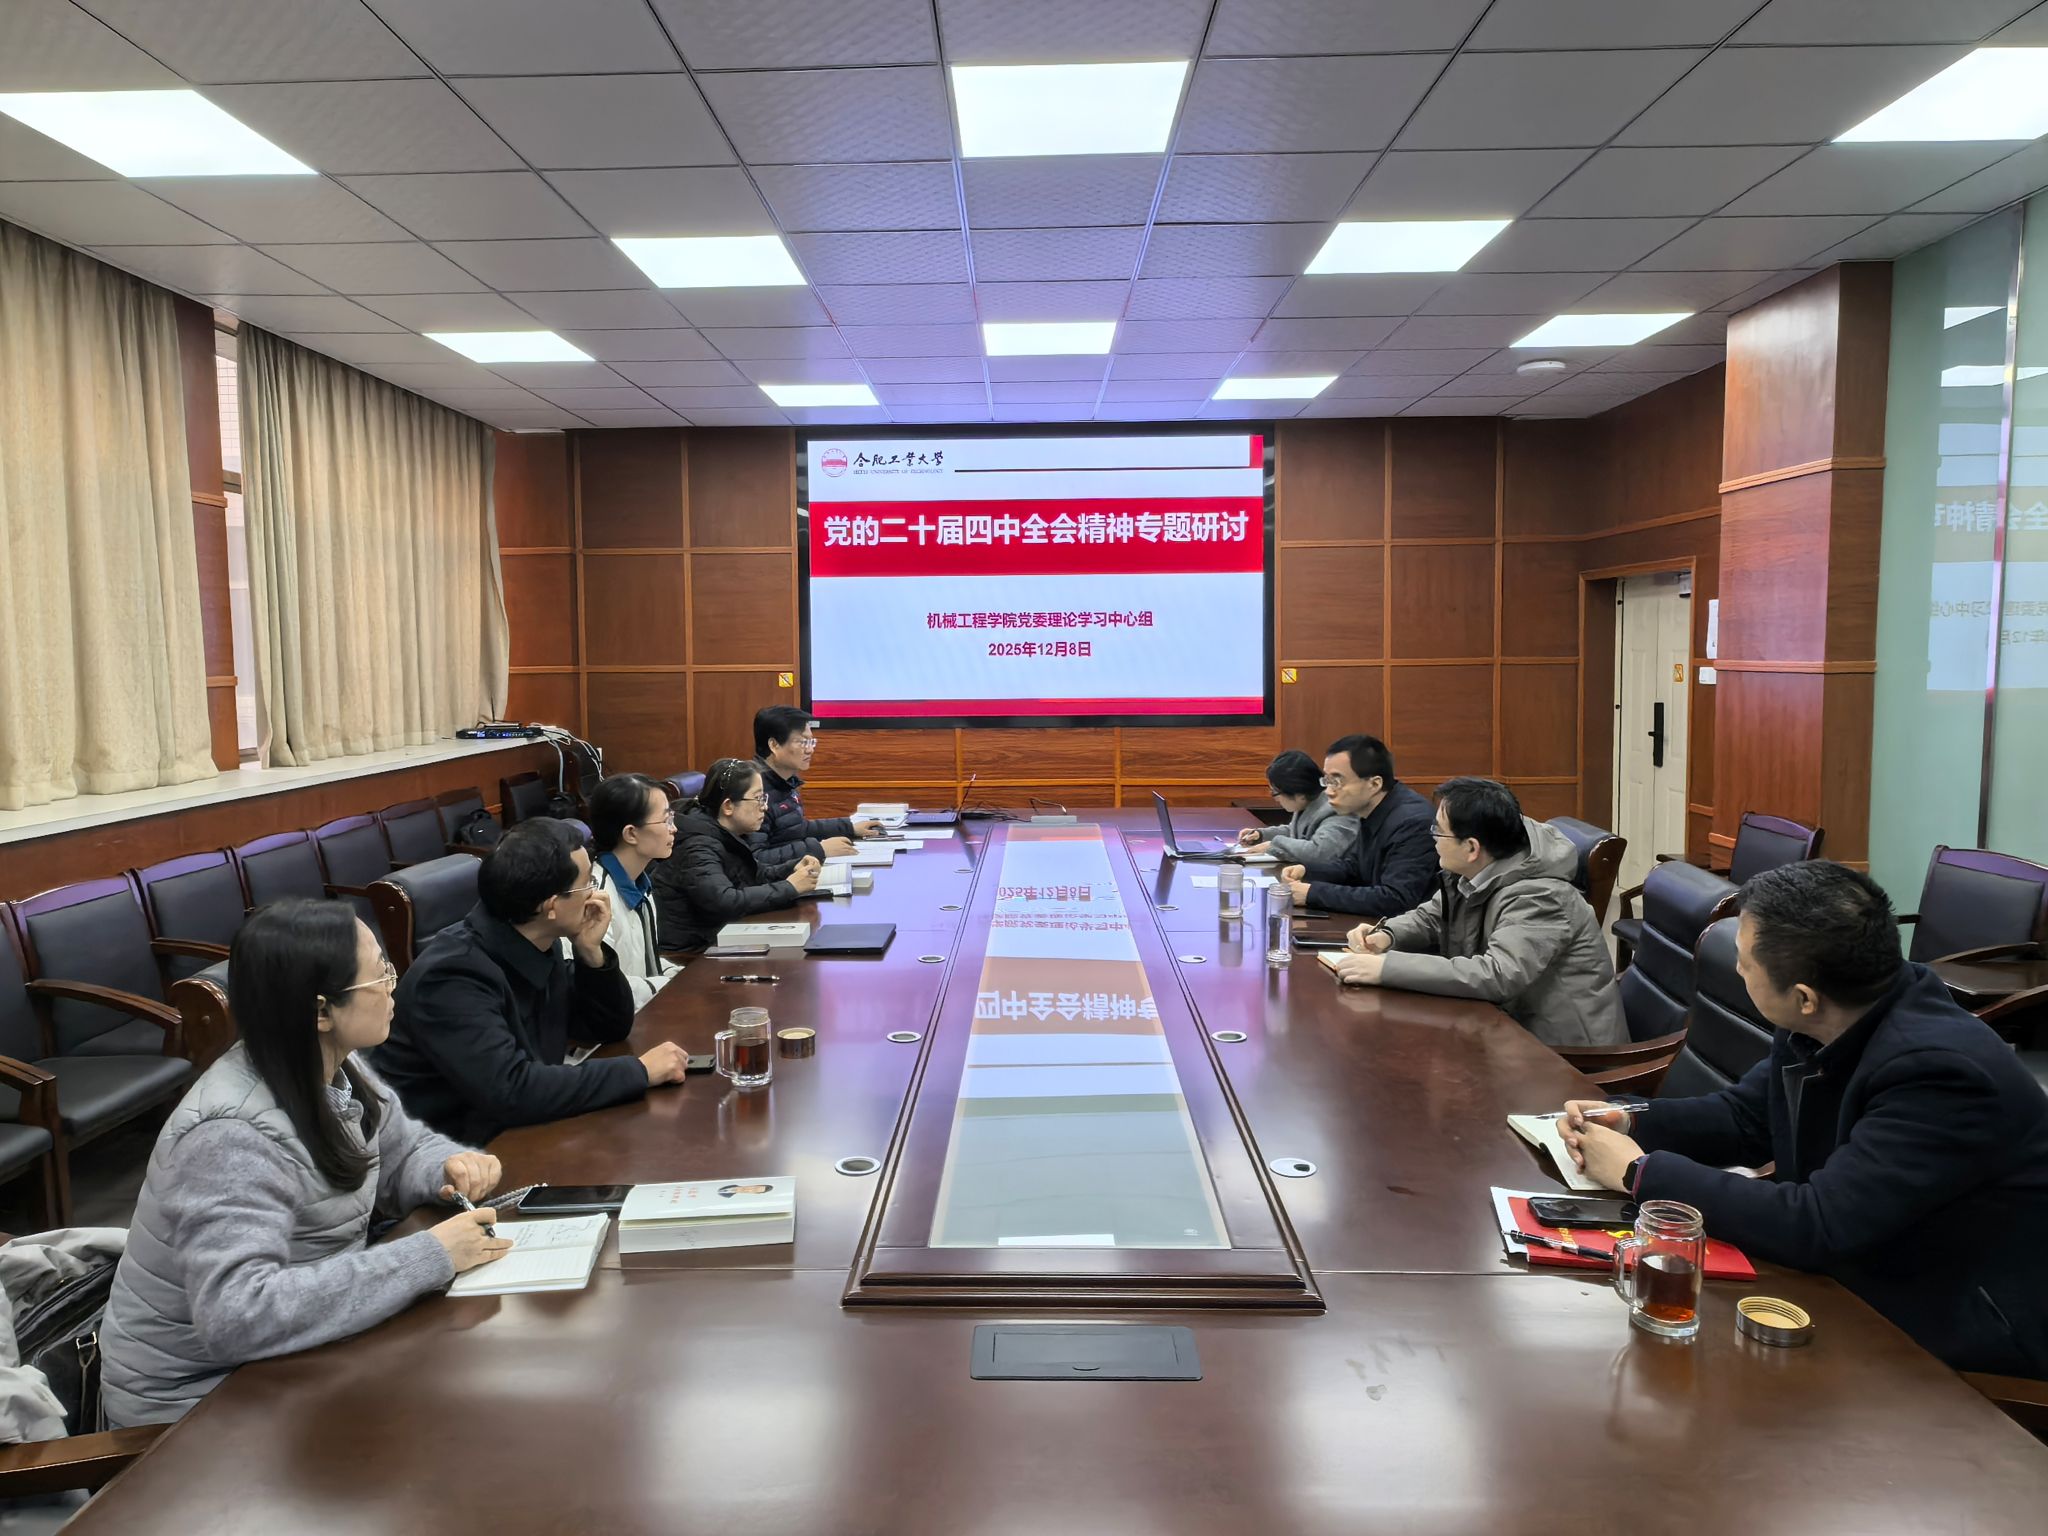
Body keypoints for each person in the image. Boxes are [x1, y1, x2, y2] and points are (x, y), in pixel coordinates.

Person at [1561, 862, 2048, 1378]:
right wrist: (1631, 1121)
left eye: (1744, 961)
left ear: (1804, 996)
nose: (1739, 970)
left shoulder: (1940, 1074)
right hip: (1870, 1264)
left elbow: (1818, 1224)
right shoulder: (1831, 1015)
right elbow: (1747, 1119)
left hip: (1959, 1317)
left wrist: (1639, 1173)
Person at [99, 899, 513, 1426]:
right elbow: (238, 1315)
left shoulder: (334, 1064)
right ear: (320, 1011)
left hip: (290, 1356)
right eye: (380, 974)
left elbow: (403, 1150)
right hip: (197, 1403)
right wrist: (428, 1256)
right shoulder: (230, 1136)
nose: (394, 985)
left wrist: (447, 1167)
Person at [373, 819, 689, 1144]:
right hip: (449, 1153)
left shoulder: (537, 940)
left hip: (516, 1132)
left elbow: (608, 1027)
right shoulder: (451, 977)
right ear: (551, 906)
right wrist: (639, 1072)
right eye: (588, 884)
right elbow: (512, 1090)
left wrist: (591, 954)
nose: (595, 895)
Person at [1329, 777, 1625, 1049]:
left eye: (1438, 831)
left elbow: (1498, 975)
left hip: (1563, 1054)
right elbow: (1433, 915)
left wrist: (1386, 968)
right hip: (1505, 1025)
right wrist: (1387, 934)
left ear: (1471, 847)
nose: (1432, 838)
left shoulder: (1540, 896)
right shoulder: (1482, 864)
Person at [654, 758, 822, 953]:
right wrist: (790, 887)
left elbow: (753, 874)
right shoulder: (698, 846)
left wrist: (792, 868)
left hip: (720, 939)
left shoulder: (723, 832)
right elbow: (724, 901)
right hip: (693, 955)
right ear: (728, 806)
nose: (765, 807)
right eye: (758, 799)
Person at [1276, 734, 1436, 917]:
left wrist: (1312, 894)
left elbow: (1396, 899)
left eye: (1337, 781)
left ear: (1374, 784)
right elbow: (1354, 868)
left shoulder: (1412, 822)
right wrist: (1308, 871)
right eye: (1327, 781)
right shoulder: (1370, 809)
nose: (1328, 791)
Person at [587, 773, 683, 1010]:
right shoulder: (596, 898)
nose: (674, 829)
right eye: (666, 820)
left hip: (647, 1010)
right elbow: (609, 985)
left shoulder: (639, 882)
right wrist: (671, 984)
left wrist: (683, 975)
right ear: (631, 833)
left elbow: (646, 965)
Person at [752, 705, 882, 863]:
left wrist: (850, 827)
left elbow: (798, 829)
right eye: (802, 742)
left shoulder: (784, 782)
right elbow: (755, 858)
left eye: (811, 742)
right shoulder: (753, 791)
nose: (810, 750)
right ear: (774, 745)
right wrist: (819, 849)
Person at [1236, 748, 1358, 866]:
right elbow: (1296, 832)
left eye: (1275, 792)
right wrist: (1262, 835)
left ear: (1299, 794)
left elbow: (1319, 853)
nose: (1275, 798)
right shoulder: (1308, 802)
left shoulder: (1337, 810)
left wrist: (1274, 845)